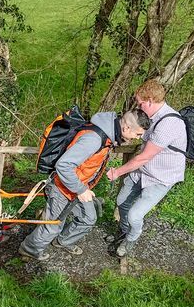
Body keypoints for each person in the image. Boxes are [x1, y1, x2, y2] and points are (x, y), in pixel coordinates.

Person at [19, 109, 150, 261]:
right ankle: (29, 250)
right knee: (53, 225)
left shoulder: (108, 135)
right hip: (62, 187)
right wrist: (81, 189)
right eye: (137, 134)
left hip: (77, 187)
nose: (137, 138)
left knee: (88, 218)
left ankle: (62, 241)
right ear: (127, 128)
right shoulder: (94, 139)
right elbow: (64, 165)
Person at [106, 79, 187, 257]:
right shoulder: (150, 116)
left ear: (150, 100)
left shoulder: (169, 124)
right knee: (122, 202)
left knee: (135, 215)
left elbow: (143, 157)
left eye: (140, 103)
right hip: (142, 171)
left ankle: (130, 240)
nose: (138, 106)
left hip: (160, 177)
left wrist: (117, 172)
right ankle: (124, 231)